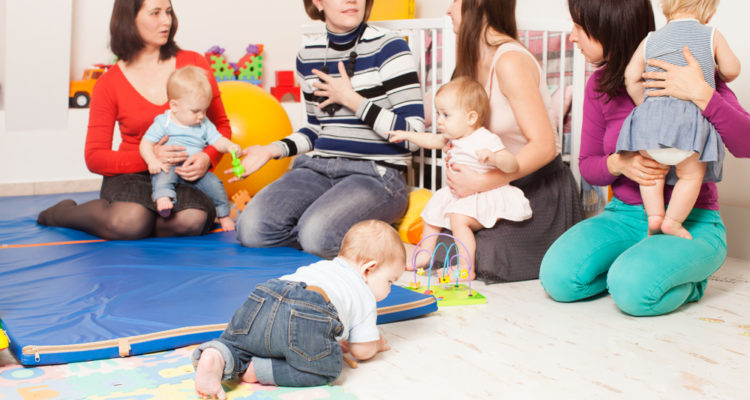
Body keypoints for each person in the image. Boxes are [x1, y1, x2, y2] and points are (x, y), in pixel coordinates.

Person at [539, 0, 750, 316]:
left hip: (694, 221)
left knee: (633, 293)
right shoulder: (600, 84)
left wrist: (702, 93)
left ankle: (690, 281)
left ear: (610, 27)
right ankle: (635, 263)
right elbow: (588, 166)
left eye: (580, 27)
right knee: (558, 278)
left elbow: (745, 145)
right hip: (624, 215)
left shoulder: (694, 70)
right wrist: (619, 163)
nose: (572, 37)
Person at [232, 0, 424, 259]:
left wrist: (352, 99)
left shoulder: (390, 47)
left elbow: (413, 135)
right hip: (318, 169)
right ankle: (342, 236)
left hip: (376, 175)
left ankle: (361, 241)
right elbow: (315, 129)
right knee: (251, 230)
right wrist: (271, 150)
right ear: (318, 3)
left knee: (317, 236)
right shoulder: (307, 55)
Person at [37, 0, 231, 239]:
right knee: (128, 222)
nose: (166, 21)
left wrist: (206, 157)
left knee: (189, 221)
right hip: (131, 175)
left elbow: (220, 126)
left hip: (182, 175)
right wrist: (150, 158)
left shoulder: (194, 64)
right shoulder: (108, 84)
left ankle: (146, 220)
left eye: (168, 12)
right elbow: (95, 156)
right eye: (156, 13)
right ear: (129, 19)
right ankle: (63, 213)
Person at [436, 0, 583, 283]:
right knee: (445, 245)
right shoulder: (469, 62)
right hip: (498, 190)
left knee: (490, 255)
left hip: (539, 187)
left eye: (454, 1)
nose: (448, 10)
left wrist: (482, 182)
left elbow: (544, 147)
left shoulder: (510, 61)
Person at [192, 220, 404, 397]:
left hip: (265, 294)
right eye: (390, 281)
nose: (389, 289)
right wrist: (374, 344)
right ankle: (260, 370)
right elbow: (362, 351)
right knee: (329, 368)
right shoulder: (364, 294)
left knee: (240, 343)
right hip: (309, 309)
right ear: (369, 268)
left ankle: (217, 355)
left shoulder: (324, 266)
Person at [616, 0, 740, 239]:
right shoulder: (711, 34)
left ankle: (654, 216)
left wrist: (646, 105)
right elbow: (732, 70)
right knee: (691, 176)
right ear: (709, 9)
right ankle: (672, 221)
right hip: (689, 127)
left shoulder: (650, 39)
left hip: (650, 125)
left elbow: (630, 76)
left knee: (652, 172)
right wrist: (717, 71)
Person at [388, 77, 531, 280]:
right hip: (458, 193)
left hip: (484, 194)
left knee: (458, 219)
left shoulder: (484, 138)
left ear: (471, 118)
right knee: (431, 211)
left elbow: (512, 164)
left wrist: (495, 158)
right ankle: (424, 255)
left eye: (446, 115)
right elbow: (430, 140)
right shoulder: (453, 138)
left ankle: (466, 268)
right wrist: (408, 135)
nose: (439, 120)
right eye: (438, 114)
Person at [140, 66, 240, 231]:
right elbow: (145, 143)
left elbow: (218, 140)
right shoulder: (164, 122)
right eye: (195, 111)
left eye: (204, 110)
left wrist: (230, 146)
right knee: (161, 177)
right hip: (171, 166)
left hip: (196, 171)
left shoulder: (203, 124)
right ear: (174, 106)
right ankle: (163, 199)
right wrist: (152, 161)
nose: (201, 116)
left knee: (216, 184)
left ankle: (224, 214)